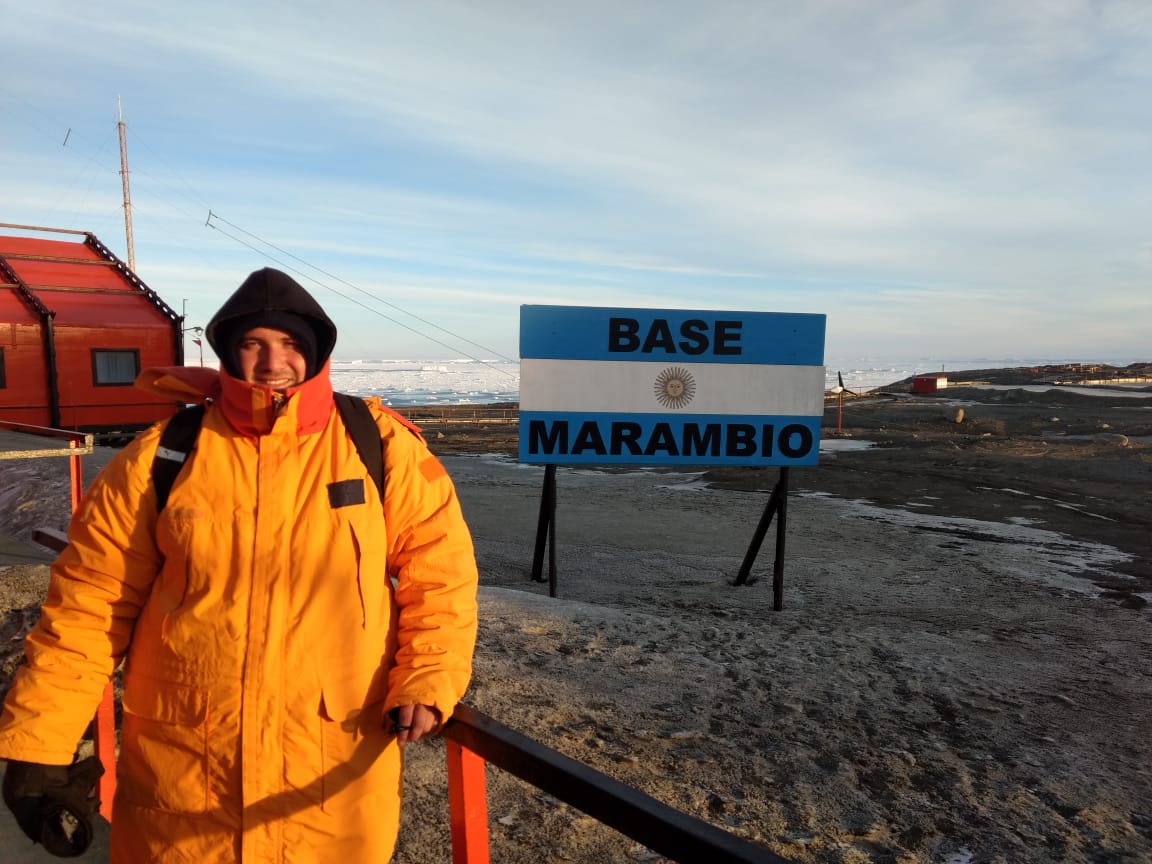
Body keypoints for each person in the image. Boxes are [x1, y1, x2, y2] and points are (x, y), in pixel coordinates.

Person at [0, 268, 480, 861]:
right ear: (228, 352)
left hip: (330, 774)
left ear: (316, 353)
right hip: (186, 773)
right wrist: (38, 745)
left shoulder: (378, 446)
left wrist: (428, 679)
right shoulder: (162, 455)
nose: (273, 362)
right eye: (253, 344)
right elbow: (87, 605)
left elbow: (441, 579)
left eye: (291, 345)